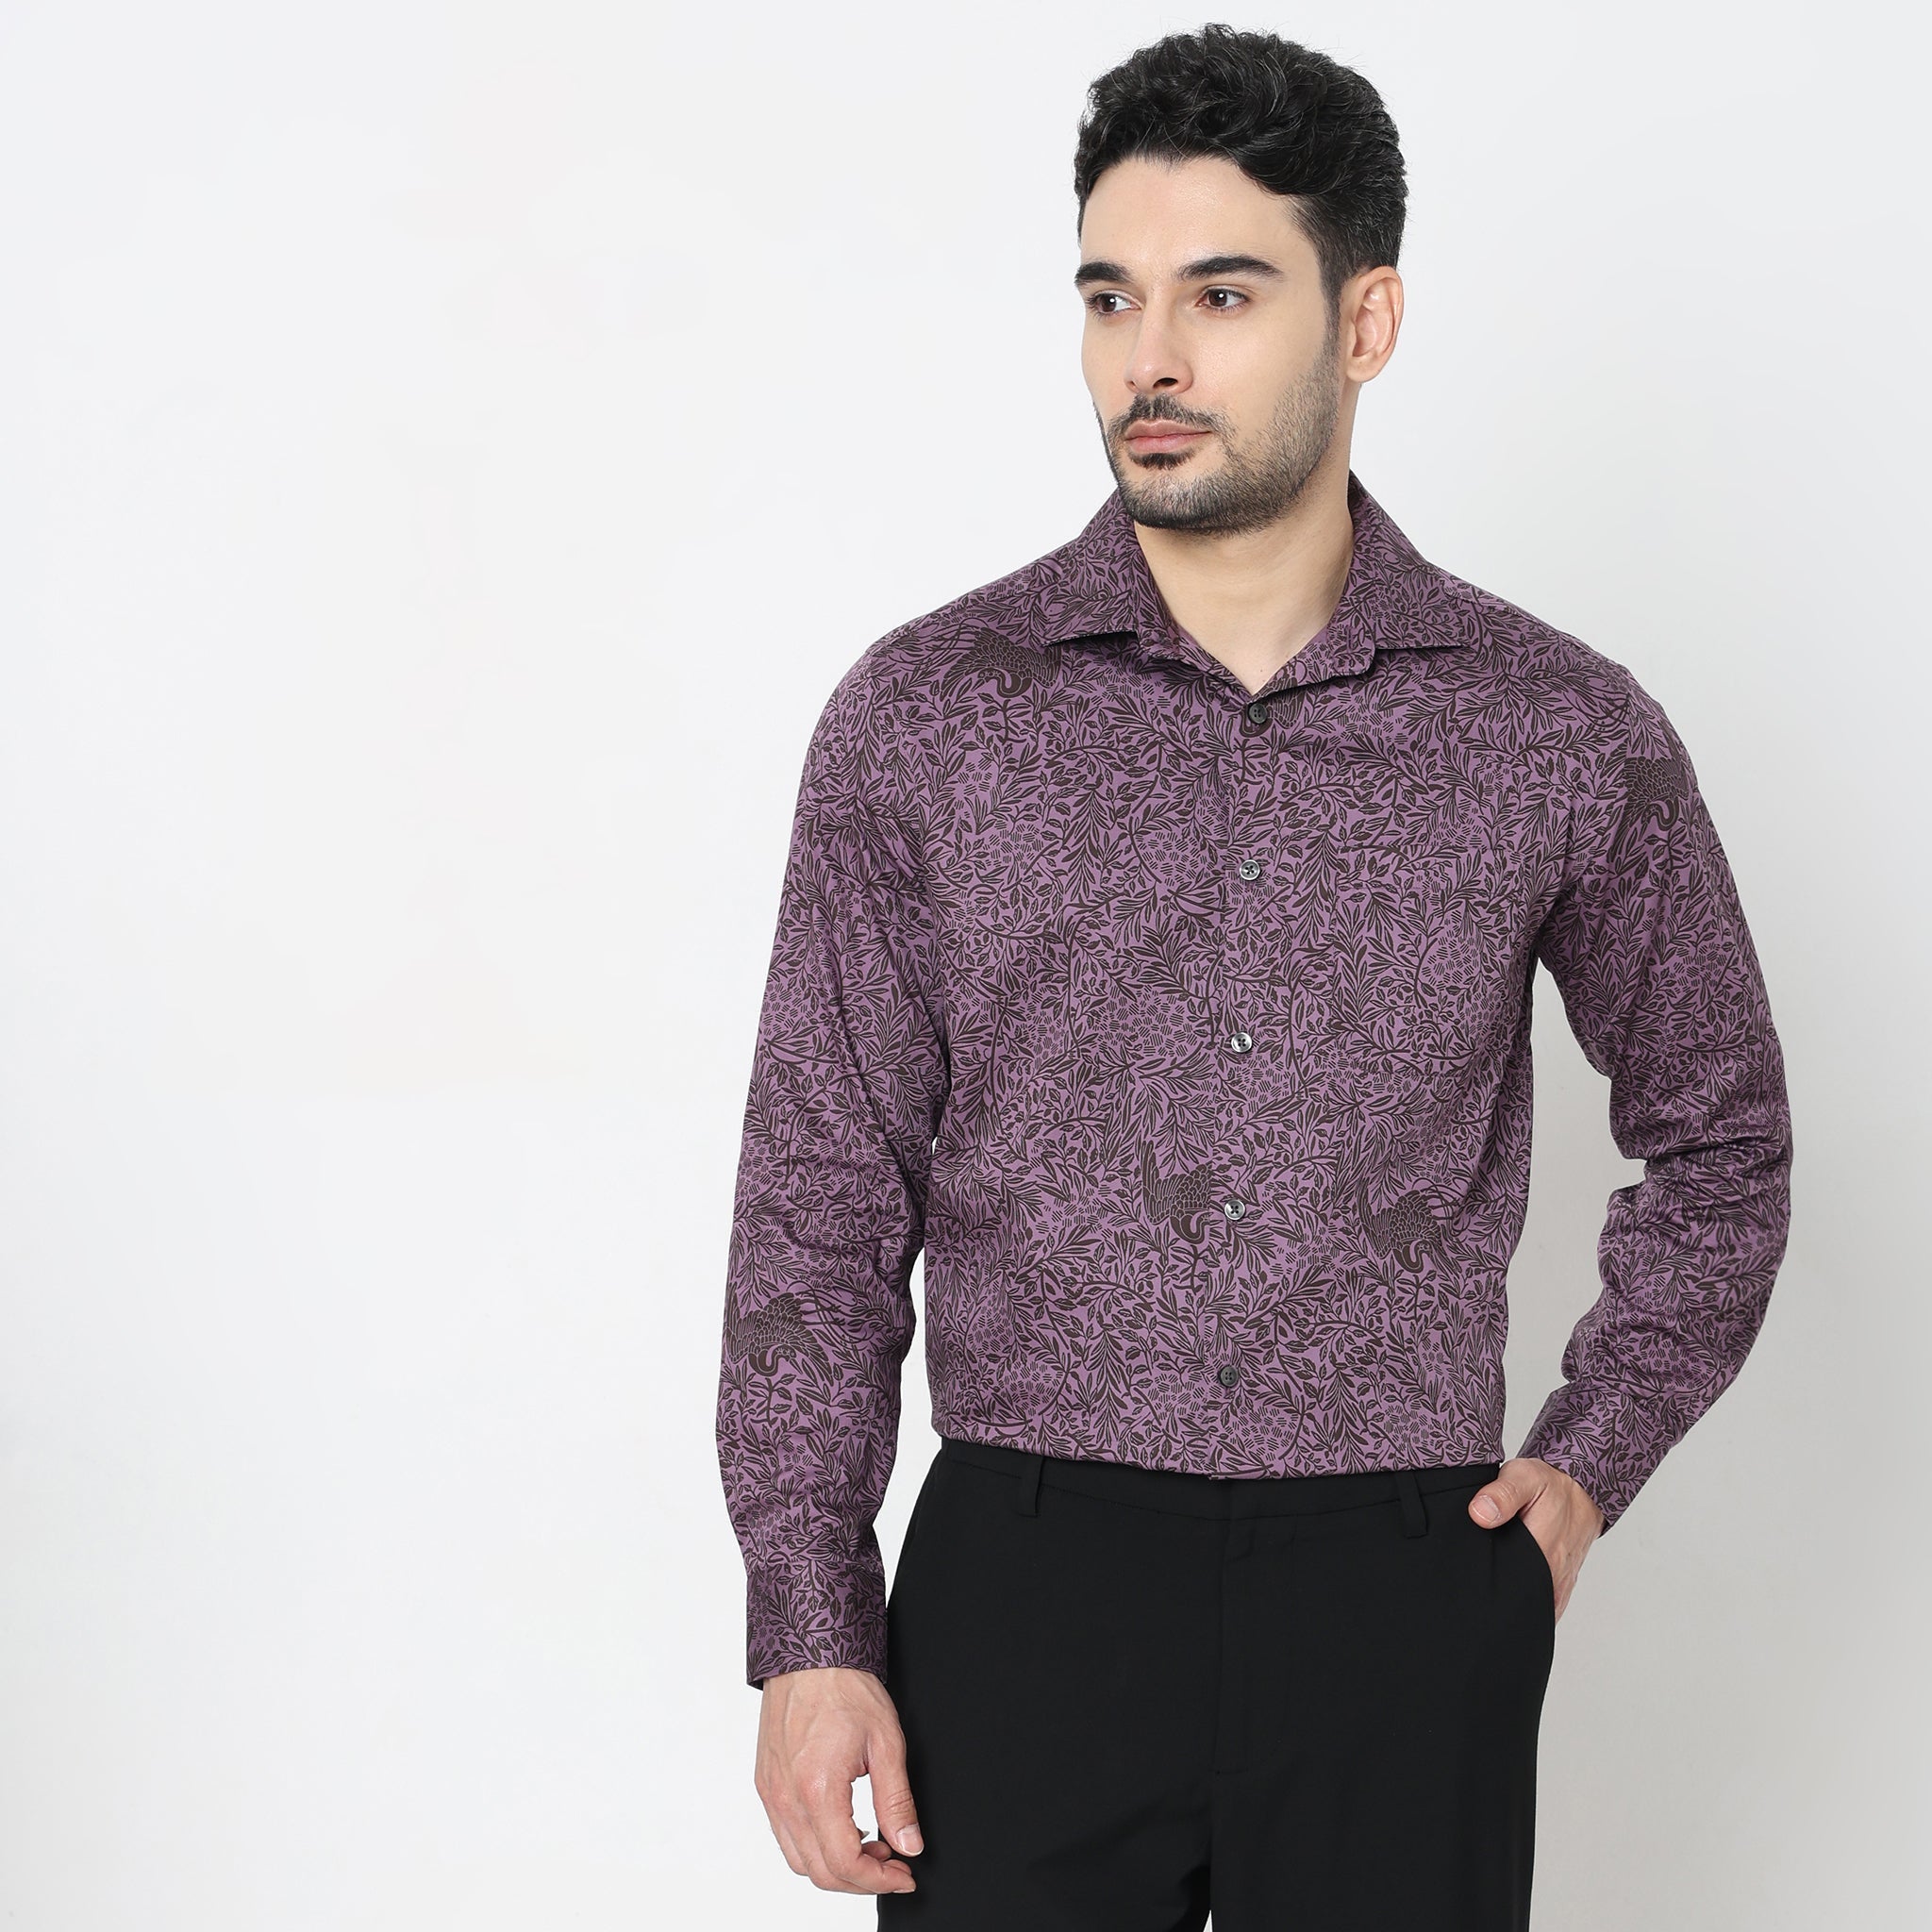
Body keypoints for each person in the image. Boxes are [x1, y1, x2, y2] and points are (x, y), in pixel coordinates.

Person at [713, 24, 1791, 1931]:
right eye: (1109, 297)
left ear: (1364, 321)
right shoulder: (927, 716)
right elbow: (820, 1190)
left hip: (1401, 1589)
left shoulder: (1556, 729)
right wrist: (810, 1619)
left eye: (1220, 295)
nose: (1150, 356)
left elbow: (1722, 1139)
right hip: (1023, 1581)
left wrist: (1586, 1463)